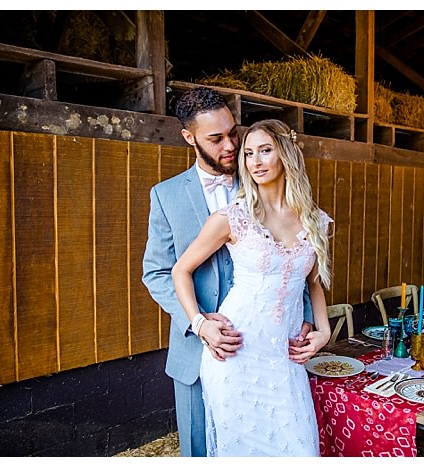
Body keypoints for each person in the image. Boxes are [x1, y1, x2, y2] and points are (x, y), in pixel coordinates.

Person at [142, 88, 314, 457]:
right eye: (216, 138)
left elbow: (295, 259)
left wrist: (309, 321)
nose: (232, 146)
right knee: (201, 452)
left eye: (233, 133)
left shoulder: (262, 176)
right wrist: (199, 322)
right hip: (196, 349)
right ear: (190, 138)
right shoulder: (166, 195)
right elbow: (158, 272)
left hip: (270, 347)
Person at [172, 119, 333, 456]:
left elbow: (314, 282)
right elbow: (180, 270)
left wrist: (324, 330)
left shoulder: (315, 221)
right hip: (236, 357)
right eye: (248, 154)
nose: (255, 161)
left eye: (265, 150)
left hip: (286, 359)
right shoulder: (232, 218)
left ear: (285, 154)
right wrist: (200, 323)